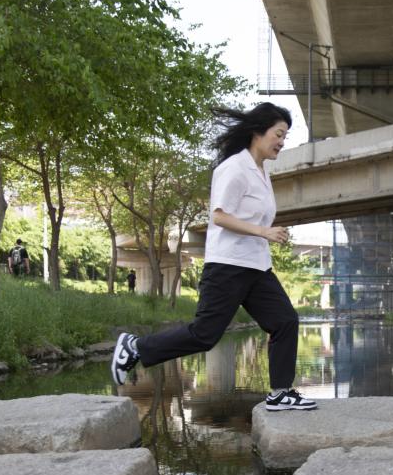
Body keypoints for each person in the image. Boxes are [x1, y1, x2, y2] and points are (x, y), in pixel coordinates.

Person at [111, 103, 315, 412]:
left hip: (256, 267)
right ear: (258, 132)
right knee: (205, 335)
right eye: (278, 134)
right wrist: (264, 232)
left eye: (285, 136)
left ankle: (280, 392)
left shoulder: (261, 171)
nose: (282, 142)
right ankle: (135, 347)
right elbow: (219, 217)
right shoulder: (234, 168)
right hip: (229, 266)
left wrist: (268, 233)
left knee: (285, 320)